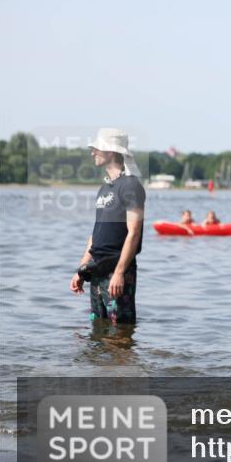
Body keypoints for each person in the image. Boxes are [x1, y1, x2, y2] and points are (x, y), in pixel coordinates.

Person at [69, 128, 146, 336]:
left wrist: (120, 273)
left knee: (120, 334)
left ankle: (123, 370)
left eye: (97, 149)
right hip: (96, 270)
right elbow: (96, 233)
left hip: (117, 271)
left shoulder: (131, 186)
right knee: (98, 332)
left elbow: (134, 232)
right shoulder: (104, 190)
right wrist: (81, 268)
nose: (92, 153)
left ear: (111, 152)